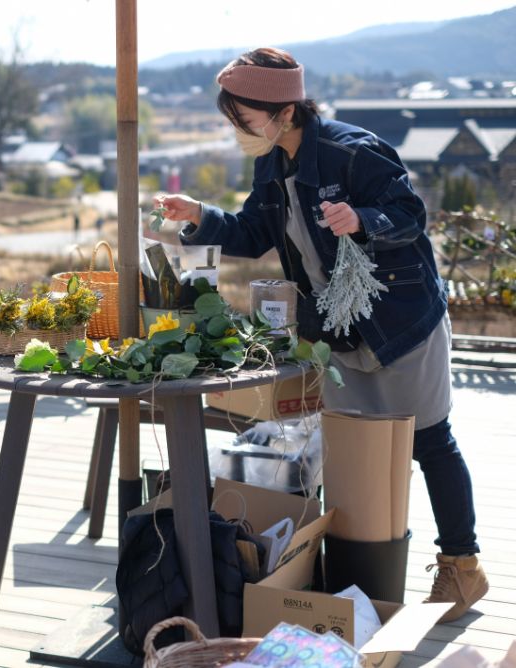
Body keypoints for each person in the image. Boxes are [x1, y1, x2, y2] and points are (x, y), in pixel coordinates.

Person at [154, 47, 488, 622]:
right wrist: (197, 215)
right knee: (349, 451)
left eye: (243, 118)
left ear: (283, 111)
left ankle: (462, 566)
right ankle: (355, 569)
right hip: (337, 330)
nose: (237, 130)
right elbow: (254, 231)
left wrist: (362, 220)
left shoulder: (352, 151)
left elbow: (411, 215)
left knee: (430, 441)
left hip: (400, 324)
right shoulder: (273, 161)